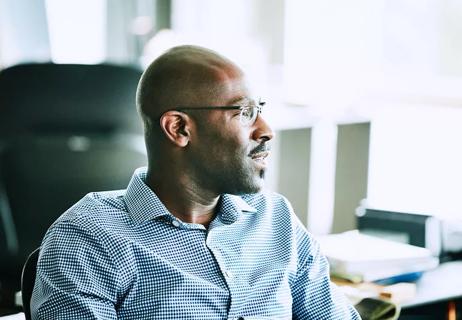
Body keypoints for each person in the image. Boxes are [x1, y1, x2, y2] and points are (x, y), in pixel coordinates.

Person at [31, 45, 360, 319]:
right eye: (244, 113)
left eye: (259, 109)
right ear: (179, 129)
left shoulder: (276, 219)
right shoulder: (89, 238)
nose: (266, 130)